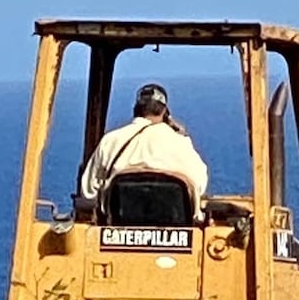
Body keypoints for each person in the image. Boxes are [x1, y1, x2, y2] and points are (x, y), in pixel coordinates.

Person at [80, 83, 208, 216]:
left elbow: (89, 192)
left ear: (136, 109)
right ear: (164, 112)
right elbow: (199, 184)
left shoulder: (110, 141)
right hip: (176, 227)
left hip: (117, 228)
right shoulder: (180, 143)